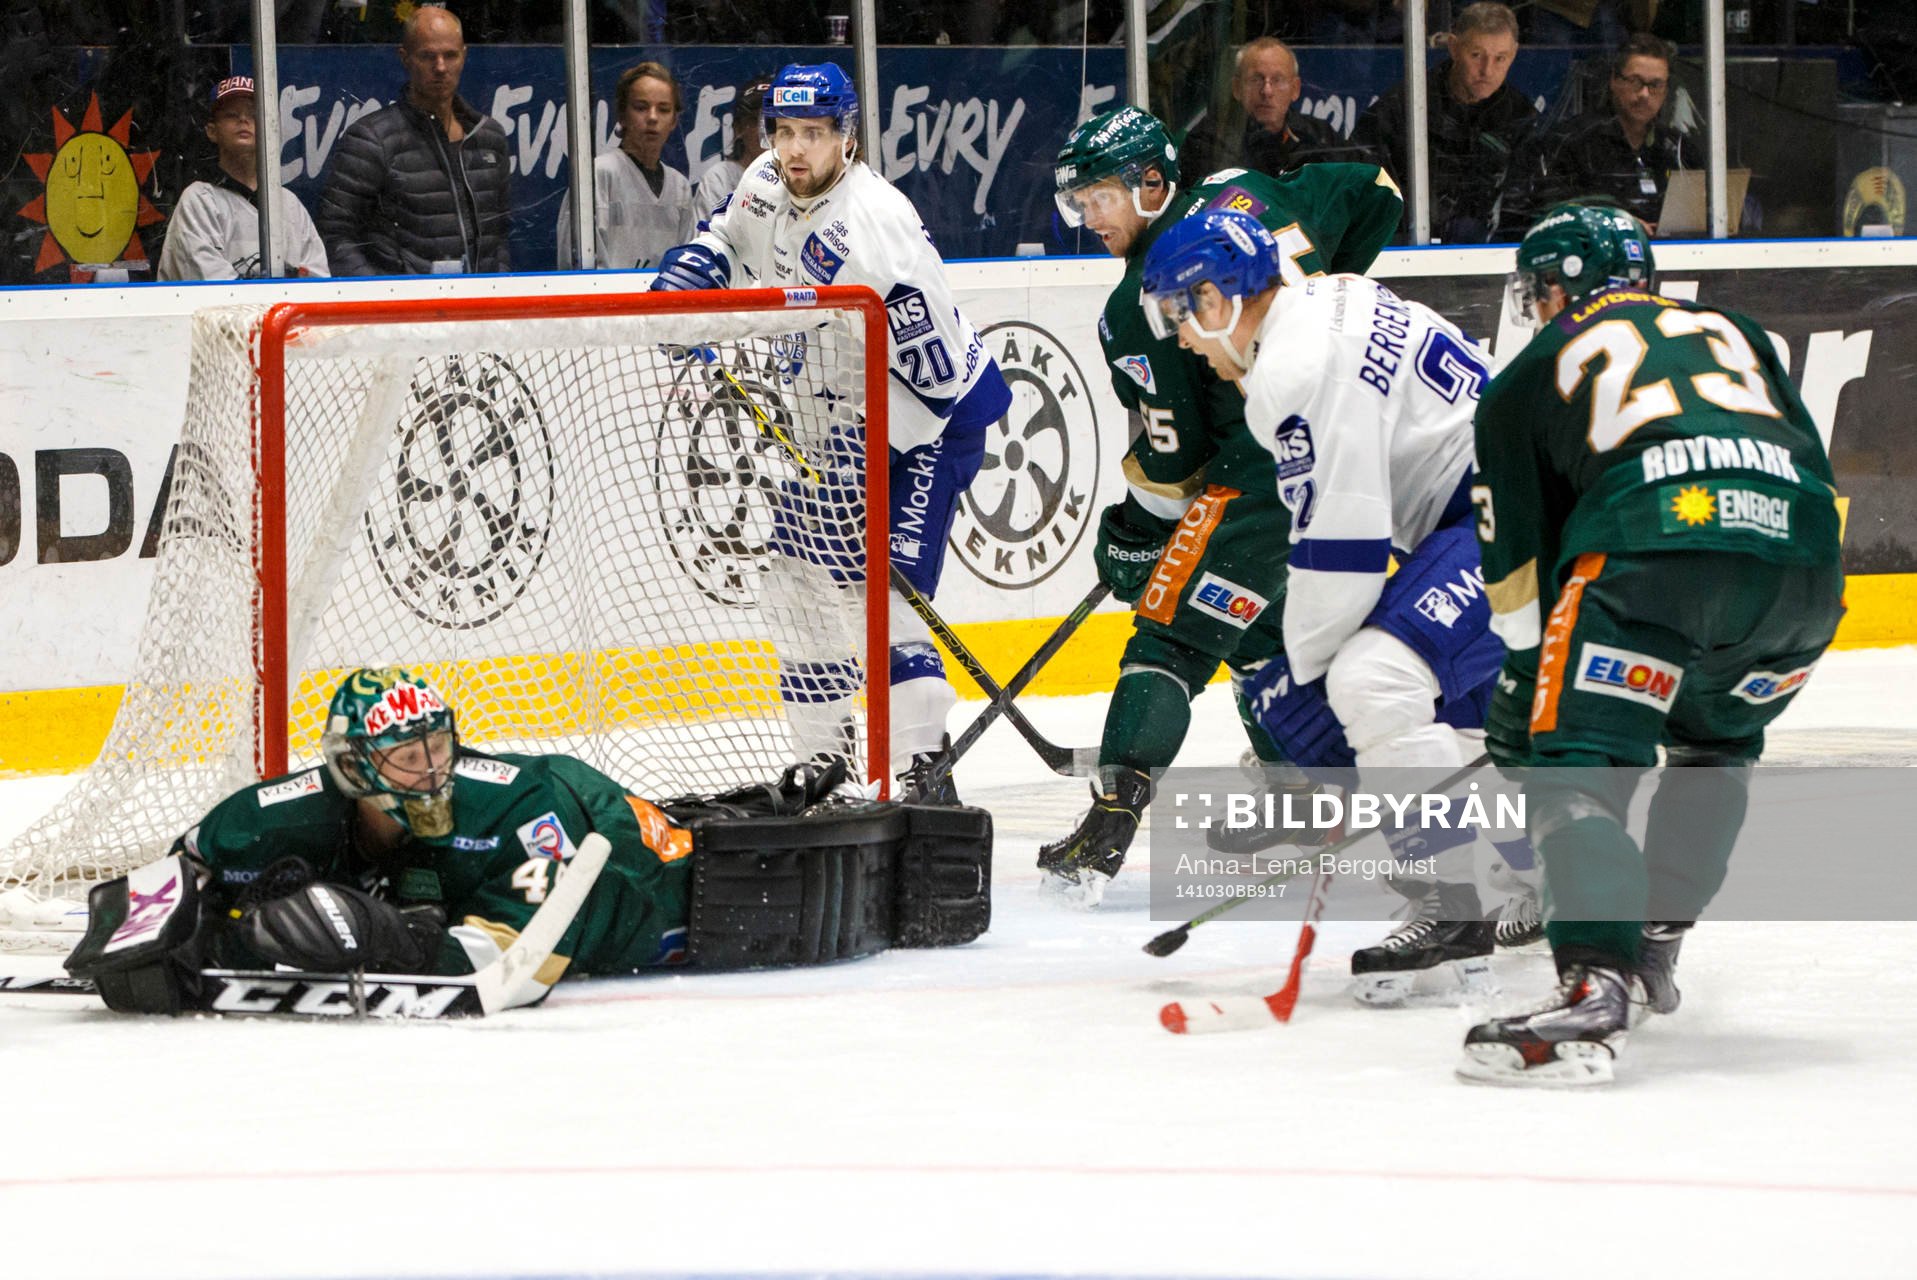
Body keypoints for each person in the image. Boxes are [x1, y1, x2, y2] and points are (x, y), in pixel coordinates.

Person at [1459, 204, 1845, 1084]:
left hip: (1655, 557)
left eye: (1539, 288)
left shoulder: (1526, 375)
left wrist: (1526, 715)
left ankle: (1596, 983)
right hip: (1803, 577)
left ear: (1555, 286)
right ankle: (1657, 944)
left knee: (1575, 769)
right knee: (1715, 746)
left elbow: (1519, 600)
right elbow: (1810, 467)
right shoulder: (1735, 331)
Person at [1137, 209, 1530, 1002]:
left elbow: (1344, 546)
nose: (1178, 339)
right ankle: (1545, 875)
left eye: (1178, 314)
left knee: (1370, 681)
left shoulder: (1292, 368)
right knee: (1462, 725)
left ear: (1215, 300)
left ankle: (1448, 904)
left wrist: (1302, 674)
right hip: (1514, 500)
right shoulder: (1331, 296)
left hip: (1500, 514)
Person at [1037, 107, 1403, 905]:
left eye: (1097, 198)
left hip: (1268, 464)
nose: (1087, 218)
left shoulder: (1140, 300)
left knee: (1170, 630)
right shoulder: (1244, 190)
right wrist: (1323, 301)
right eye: (1078, 203)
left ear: (1152, 185)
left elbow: (1174, 460)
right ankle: (1306, 796)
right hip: (1358, 436)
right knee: (1257, 627)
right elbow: (1377, 191)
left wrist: (1132, 536)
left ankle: (1109, 820)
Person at [648, 63, 1013, 804]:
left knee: (874, 593)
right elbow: (726, 236)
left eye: (814, 134)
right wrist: (696, 280)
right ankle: (822, 760)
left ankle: (922, 768)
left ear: (846, 139)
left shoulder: (875, 230)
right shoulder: (764, 179)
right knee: (791, 581)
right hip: (837, 425)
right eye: (783, 131)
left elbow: (938, 378)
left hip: (925, 424)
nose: (794, 149)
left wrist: (864, 454)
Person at [75, 667, 692, 1014]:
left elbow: (520, 974)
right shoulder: (270, 819)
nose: (431, 769)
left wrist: (390, 938)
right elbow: (173, 879)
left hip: (642, 879)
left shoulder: (524, 812)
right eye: (406, 754)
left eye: (439, 745)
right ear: (353, 768)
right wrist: (219, 927)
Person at [315, 5, 512, 275]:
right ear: (405, 58)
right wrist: (388, 300)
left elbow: (498, 237)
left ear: (464, 57)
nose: (440, 67)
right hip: (403, 310)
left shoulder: (489, 137)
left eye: (450, 55)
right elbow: (335, 236)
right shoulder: (371, 139)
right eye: (428, 56)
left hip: (478, 308)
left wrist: (497, 296)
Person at [1353, 3, 1538, 244]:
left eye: (1500, 58)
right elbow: (1368, 190)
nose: (1487, 70)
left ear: (1513, 54)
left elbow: (1523, 207)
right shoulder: (1405, 106)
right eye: (1476, 55)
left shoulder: (1521, 116)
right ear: (1453, 47)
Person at [1495, 33, 1700, 238]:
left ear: (1665, 90)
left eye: (1655, 85)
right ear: (1614, 80)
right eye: (1635, 81)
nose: (1644, 94)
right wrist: (1609, 222)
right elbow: (1543, 214)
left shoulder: (1678, 149)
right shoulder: (1571, 142)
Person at [157, 76, 330, 281]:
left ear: (270, 129)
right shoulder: (199, 200)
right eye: (231, 115)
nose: (243, 120)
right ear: (212, 131)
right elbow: (214, 293)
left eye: (254, 115)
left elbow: (317, 283)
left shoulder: (289, 204)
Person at [557, 62, 699, 271]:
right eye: (641, 107)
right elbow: (577, 268)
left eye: (663, 109)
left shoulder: (680, 187)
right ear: (622, 115)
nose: (652, 117)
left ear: (674, 121)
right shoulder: (597, 175)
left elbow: (687, 266)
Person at [1178, 38, 1336, 183]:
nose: (1267, 91)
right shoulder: (1209, 140)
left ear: (1295, 89)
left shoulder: (1319, 135)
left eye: (1277, 80)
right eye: (1256, 79)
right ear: (1237, 88)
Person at [692, 74, 772, 225]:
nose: (764, 130)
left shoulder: (796, 176)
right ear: (738, 128)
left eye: (771, 121)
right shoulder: (720, 179)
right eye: (755, 120)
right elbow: (705, 240)